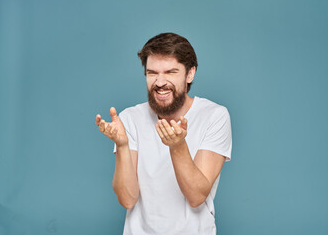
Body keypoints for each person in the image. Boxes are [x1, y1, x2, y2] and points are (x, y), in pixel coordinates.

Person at [96, 33, 232, 235]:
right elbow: (127, 199)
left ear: (190, 74)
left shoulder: (214, 116)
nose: (160, 82)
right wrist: (123, 147)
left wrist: (177, 146)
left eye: (170, 72)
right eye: (152, 73)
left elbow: (196, 196)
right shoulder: (130, 118)